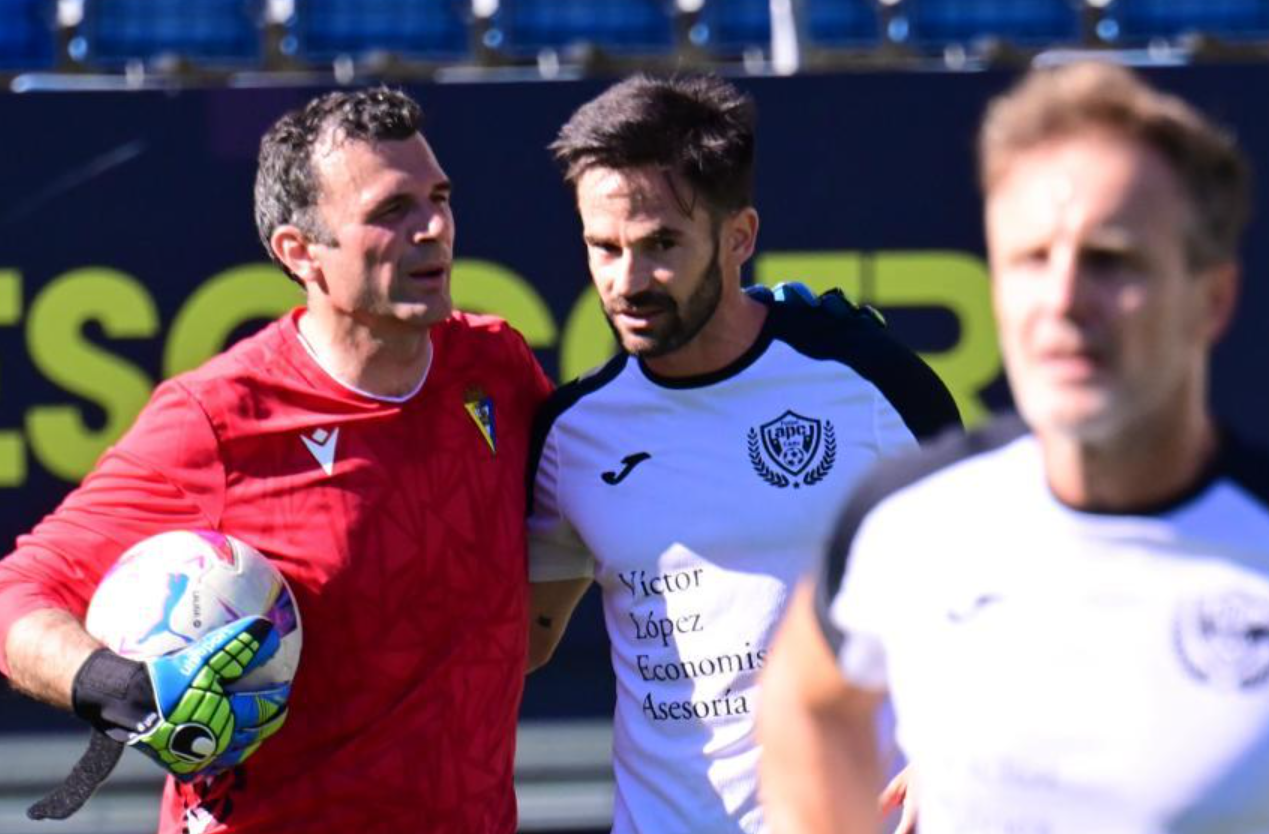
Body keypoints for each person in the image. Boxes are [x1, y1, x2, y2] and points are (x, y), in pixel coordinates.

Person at [0, 87, 553, 833]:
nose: (435, 229)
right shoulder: (218, 419)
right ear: (300, 252)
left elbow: (571, 529)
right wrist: (120, 683)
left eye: (440, 197)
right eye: (393, 211)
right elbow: (16, 593)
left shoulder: (495, 366)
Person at [758, 61, 1264, 834]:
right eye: (1030, 259)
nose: (1061, 301)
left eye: (1110, 261)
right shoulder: (906, 519)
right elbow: (806, 699)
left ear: (1212, 297)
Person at [525, 74, 961, 834]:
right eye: (604, 247)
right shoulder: (572, 434)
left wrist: (955, 745)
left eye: (661, 244)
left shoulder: (866, 380)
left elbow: (1000, 576)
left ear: (739, 236)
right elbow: (514, 640)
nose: (626, 281)